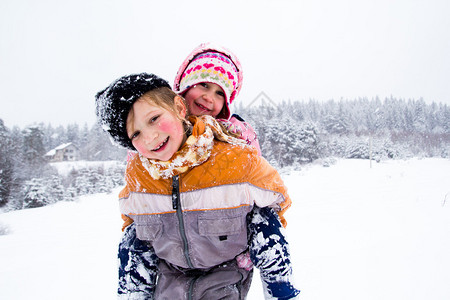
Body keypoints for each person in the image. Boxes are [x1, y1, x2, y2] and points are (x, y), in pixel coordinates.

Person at [95, 73, 300, 299]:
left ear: (180, 108)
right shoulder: (140, 175)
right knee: (134, 237)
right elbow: (133, 224)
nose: (150, 137)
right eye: (135, 133)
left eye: (153, 119)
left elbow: (274, 200)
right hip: (170, 277)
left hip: (224, 273)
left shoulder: (234, 159)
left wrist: (258, 251)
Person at [173, 42, 261, 154]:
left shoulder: (238, 136)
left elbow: (258, 169)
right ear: (184, 86)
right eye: (204, 85)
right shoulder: (160, 120)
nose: (209, 98)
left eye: (220, 93)